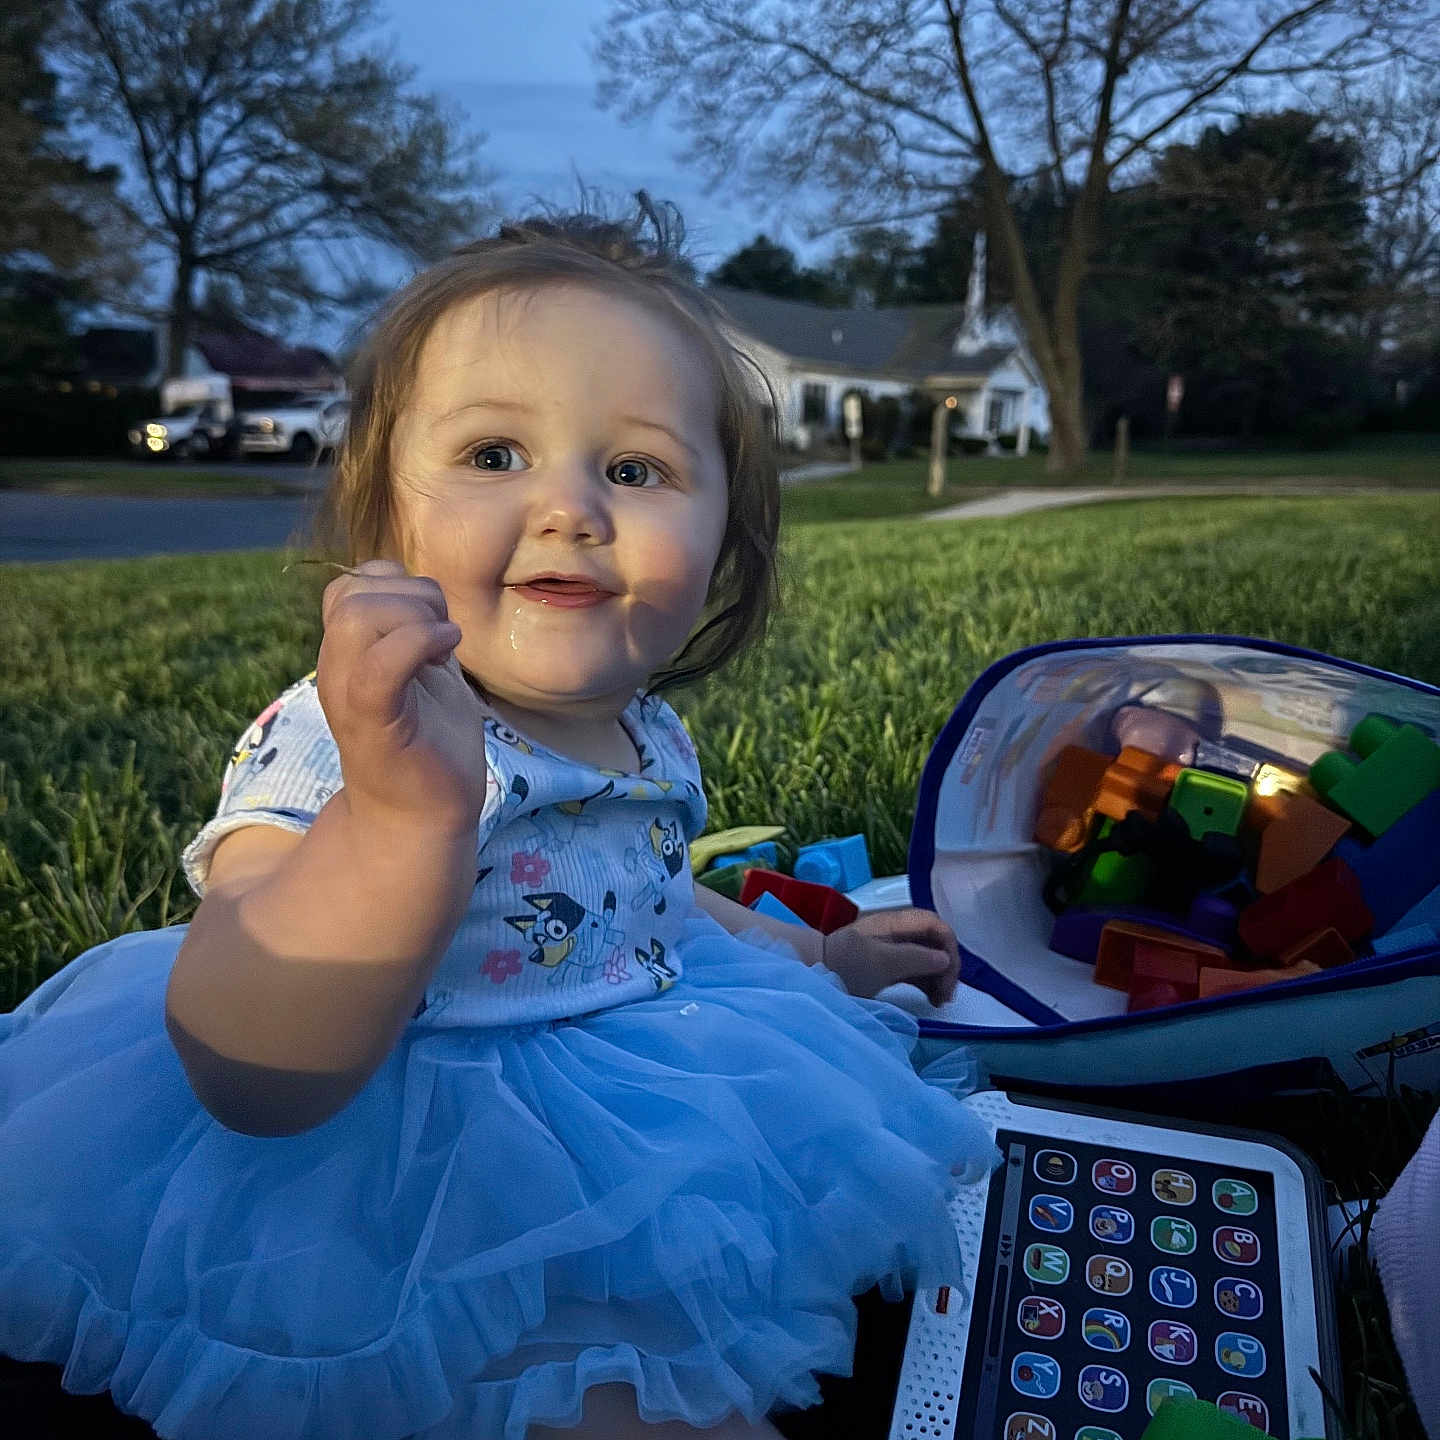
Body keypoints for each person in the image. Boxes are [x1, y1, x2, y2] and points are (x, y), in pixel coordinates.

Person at [0, 199, 997, 1440]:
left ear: (725, 538)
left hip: (643, 1117)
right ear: (384, 522)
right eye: (493, 457)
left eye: (635, 469)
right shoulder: (351, 738)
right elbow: (247, 1071)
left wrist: (823, 956)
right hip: (395, 1177)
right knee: (549, 1387)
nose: (573, 507)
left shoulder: (646, 728)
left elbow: (653, 893)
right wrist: (398, 818)